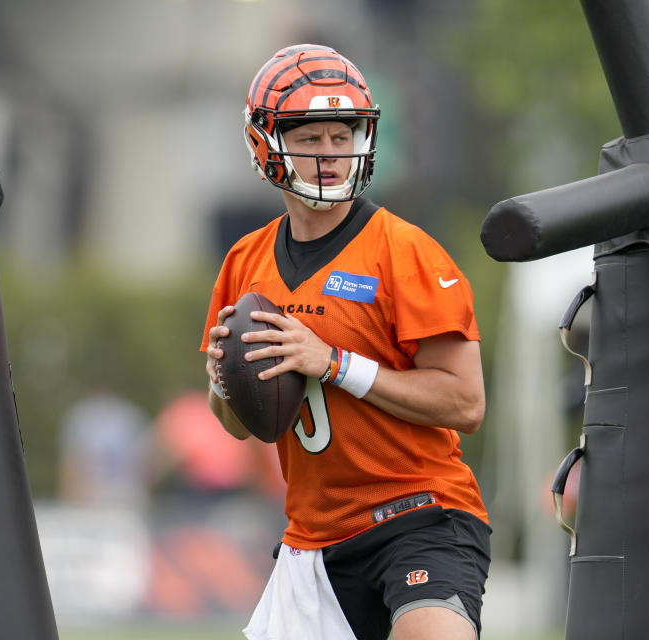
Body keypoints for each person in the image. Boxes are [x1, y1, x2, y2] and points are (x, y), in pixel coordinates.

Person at [202, 44, 490, 640]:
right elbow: (238, 425)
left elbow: (466, 404)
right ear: (267, 142)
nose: (329, 155)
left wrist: (334, 363)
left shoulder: (405, 250)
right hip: (313, 537)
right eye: (310, 139)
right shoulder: (244, 261)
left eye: (343, 136)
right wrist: (222, 386)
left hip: (419, 515)